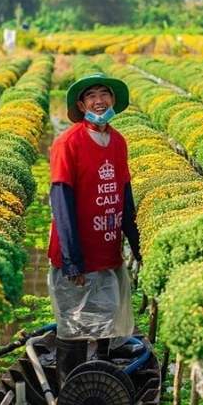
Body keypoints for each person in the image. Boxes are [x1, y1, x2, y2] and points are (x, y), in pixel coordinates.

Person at [47, 72, 141, 385]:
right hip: (78, 255)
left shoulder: (118, 141)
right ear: (81, 104)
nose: (99, 101)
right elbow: (61, 203)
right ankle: (68, 392)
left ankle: (99, 388)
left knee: (106, 327)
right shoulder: (68, 143)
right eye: (91, 96)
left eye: (104, 94)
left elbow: (124, 195)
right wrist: (73, 260)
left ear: (113, 101)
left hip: (108, 250)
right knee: (74, 329)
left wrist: (137, 245)